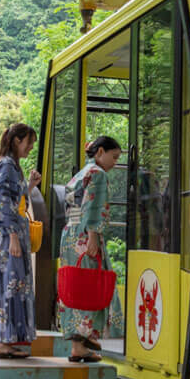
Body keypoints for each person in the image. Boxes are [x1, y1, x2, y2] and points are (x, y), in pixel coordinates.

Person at [58, 135, 122, 363]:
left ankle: (79, 345)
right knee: (90, 286)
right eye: (113, 157)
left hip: (70, 235)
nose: (115, 163)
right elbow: (94, 206)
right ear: (100, 152)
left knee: (76, 286)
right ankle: (83, 343)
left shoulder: (79, 174)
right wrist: (94, 235)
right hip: (86, 235)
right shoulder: (98, 174)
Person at [0, 123, 41, 359]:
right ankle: (4, 342)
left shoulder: (7, 165)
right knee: (12, 286)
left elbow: (13, 199)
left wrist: (29, 186)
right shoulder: (8, 166)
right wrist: (14, 237)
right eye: (28, 142)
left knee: (3, 285)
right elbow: (5, 205)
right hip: (9, 235)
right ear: (18, 141)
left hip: (4, 234)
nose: (30, 148)